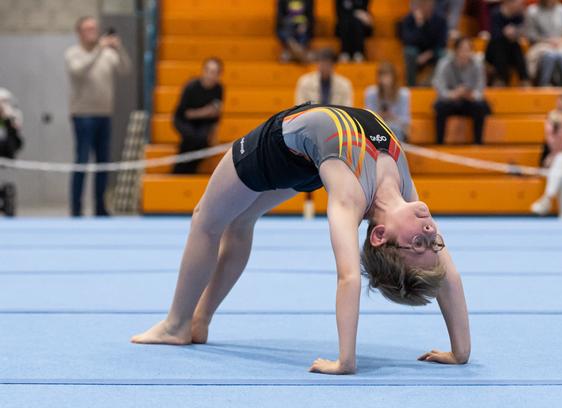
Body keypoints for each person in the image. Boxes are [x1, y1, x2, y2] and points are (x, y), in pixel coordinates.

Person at [131, 103, 471, 374]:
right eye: (434, 244)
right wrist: (460, 352)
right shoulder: (405, 193)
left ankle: (177, 324)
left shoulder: (348, 199)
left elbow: (349, 277)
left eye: (419, 245)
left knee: (206, 220)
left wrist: (346, 361)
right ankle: (200, 321)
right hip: (310, 160)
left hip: (275, 149)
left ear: (380, 236)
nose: (430, 234)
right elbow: (450, 276)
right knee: (242, 221)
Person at [65, 16, 131, 217]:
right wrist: (99, 49)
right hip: (83, 115)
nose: (92, 32)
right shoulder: (73, 54)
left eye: (95, 29)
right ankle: (76, 209)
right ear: (79, 32)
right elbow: (78, 71)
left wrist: (118, 47)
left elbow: (125, 69)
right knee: (82, 161)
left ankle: (100, 208)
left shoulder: (107, 53)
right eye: (88, 29)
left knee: (103, 163)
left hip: (105, 114)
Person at [433, 37, 491, 145]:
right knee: (440, 107)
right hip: (451, 100)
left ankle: (478, 143)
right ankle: (439, 143)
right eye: (462, 49)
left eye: (468, 49)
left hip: (469, 101)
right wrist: (454, 94)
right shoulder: (444, 64)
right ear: (456, 50)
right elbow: (440, 88)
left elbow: (481, 88)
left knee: (481, 106)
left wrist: (471, 95)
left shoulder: (477, 65)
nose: (465, 53)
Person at [172, 58, 224, 174]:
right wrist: (205, 112)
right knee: (190, 138)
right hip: (183, 120)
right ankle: (178, 172)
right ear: (204, 71)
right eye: (209, 71)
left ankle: (189, 170)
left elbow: (216, 114)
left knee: (203, 141)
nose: (211, 75)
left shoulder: (219, 89)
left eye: (215, 72)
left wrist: (214, 134)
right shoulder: (191, 87)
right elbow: (186, 114)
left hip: (203, 123)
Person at [524, 0, 562, 87]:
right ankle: (544, 85)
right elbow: (531, 34)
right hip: (540, 45)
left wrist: (560, 41)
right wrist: (547, 41)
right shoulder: (532, 11)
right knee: (550, 56)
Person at [399, 0, 448, 87]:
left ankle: (434, 83)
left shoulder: (440, 20)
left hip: (433, 53)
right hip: (416, 54)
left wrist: (428, 54)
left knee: (444, 55)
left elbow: (442, 43)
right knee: (409, 52)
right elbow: (408, 41)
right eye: (423, 3)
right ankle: (411, 86)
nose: (426, 6)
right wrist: (420, 25)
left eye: (429, 3)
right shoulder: (408, 20)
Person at [485, 0, 530, 86]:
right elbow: (494, 34)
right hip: (494, 51)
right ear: (509, 3)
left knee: (515, 45)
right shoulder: (496, 13)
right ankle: (500, 78)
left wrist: (515, 32)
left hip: (511, 49)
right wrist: (505, 33)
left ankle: (524, 78)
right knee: (501, 45)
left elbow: (524, 31)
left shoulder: (518, 15)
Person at [364, 62, 411, 141]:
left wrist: (392, 116)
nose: (384, 79)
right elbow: (367, 118)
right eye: (382, 76)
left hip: (397, 130)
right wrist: (380, 115)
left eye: (387, 75)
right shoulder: (371, 93)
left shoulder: (404, 94)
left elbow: (406, 121)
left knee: (394, 129)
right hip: (377, 128)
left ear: (394, 77)